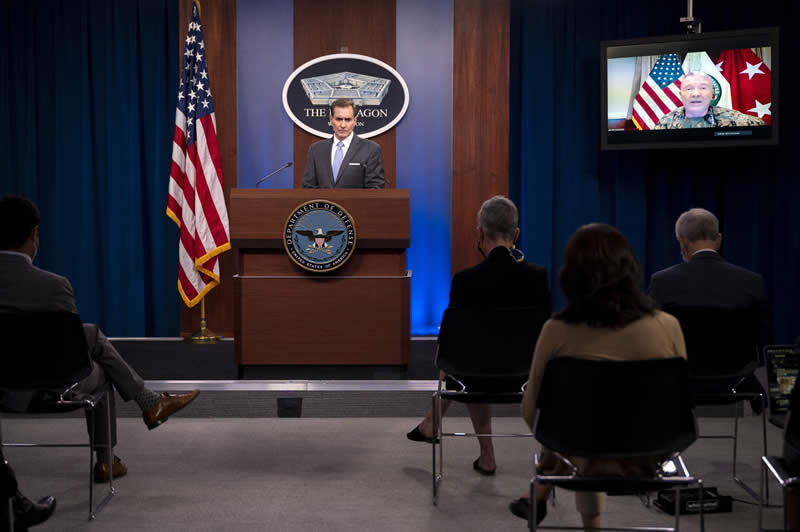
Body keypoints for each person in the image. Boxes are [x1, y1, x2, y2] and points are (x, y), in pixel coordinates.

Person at [0, 196, 200, 484]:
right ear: (34, 234)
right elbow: (69, 355)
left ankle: (149, 405)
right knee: (101, 363)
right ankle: (108, 459)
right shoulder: (54, 286)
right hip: (47, 389)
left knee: (91, 336)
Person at [509, 223, 687, 528]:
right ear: (630, 268)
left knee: (575, 427)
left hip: (577, 451)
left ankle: (550, 494)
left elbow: (531, 412)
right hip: (646, 456)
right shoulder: (667, 326)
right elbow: (679, 408)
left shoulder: (557, 331)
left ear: (571, 275)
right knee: (592, 427)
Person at [406, 196, 551, 475]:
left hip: (474, 373)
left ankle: (475, 448)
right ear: (516, 234)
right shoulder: (537, 276)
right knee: (474, 354)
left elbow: (452, 344)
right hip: (525, 373)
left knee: (467, 358)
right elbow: (545, 330)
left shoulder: (465, 280)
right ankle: (433, 424)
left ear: (480, 233)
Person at [648, 207, 772, 413]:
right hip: (737, 380)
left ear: (682, 242)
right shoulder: (752, 282)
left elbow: (650, 337)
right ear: (719, 239)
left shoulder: (661, 282)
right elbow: (766, 339)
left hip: (679, 381)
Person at [301, 98, 385, 189]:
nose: (343, 125)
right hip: (324, 203)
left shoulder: (371, 149)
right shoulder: (316, 150)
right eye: (339, 119)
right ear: (331, 119)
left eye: (348, 119)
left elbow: (375, 187)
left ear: (355, 121)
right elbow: (309, 186)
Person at [654, 71, 765, 129]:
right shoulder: (666, 122)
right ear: (681, 95)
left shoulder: (736, 120)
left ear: (712, 94)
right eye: (689, 89)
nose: (696, 94)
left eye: (703, 88)